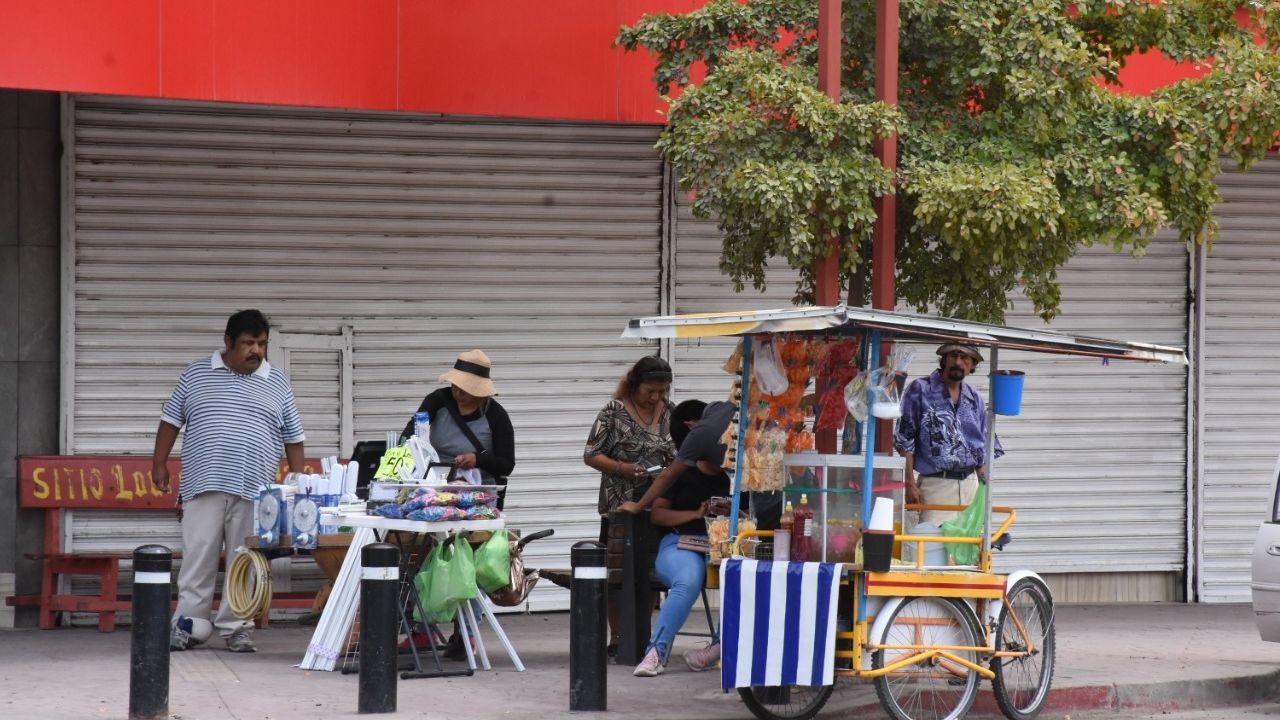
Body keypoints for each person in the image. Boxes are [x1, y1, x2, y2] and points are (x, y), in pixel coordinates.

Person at [153, 309, 305, 653]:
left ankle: (237, 628)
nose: (256, 351)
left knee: (245, 561)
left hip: (255, 489)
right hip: (202, 484)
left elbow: (294, 438)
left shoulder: (277, 382)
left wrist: (298, 486)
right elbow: (170, 421)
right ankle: (187, 626)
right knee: (198, 557)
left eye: (262, 344)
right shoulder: (196, 374)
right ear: (228, 342)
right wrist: (158, 463)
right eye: (248, 343)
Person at [400, 349, 515, 660]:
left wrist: (479, 459)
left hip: (476, 499)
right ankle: (420, 626)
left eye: (467, 391)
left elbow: (507, 463)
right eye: (456, 388)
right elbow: (407, 439)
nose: (459, 395)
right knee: (419, 555)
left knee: (468, 562)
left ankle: (467, 633)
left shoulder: (496, 415)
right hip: (433, 491)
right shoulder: (437, 401)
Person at [632, 399, 737, 677]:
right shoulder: (683, 471)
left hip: (724, 546)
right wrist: (695, 513)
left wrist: (733, 511)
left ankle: (720, 648)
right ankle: (656, 652)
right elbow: (658, 515)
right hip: (681, 543)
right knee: (687, 580)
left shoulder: (735, 477)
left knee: (746, 580)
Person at [583, 355, 676, 654]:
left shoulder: (670, 412)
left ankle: (642, 633)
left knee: (649, 573)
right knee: (617, 574)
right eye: (650, 390)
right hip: (619, 506)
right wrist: (623, 468)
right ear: (634, 384)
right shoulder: (614, 412)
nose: (655, 396)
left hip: (657, 506)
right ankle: (618, 638)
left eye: (661, 391)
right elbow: (591, 453)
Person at [894, 343, 1003, 525]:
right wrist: (909, 483)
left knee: (968, 548)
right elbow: (905, 439)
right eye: (953, 356)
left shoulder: (974, 397)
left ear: (973, 365)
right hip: (936, 484)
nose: (958, 362)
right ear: (944, 360)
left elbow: (983, 446)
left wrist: (984, 488)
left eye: (965, 358)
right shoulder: (920, 389)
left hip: (970, 484)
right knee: (932, 547)